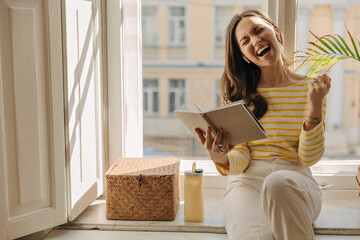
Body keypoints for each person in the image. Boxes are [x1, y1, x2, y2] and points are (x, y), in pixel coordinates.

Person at [195, 9, 331, 240]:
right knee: (257, 235)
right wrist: (221, 158)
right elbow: (241, 160)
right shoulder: (237, 96)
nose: (255, 40)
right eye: (245, 40)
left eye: (258, 30)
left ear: (275, 32)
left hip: (295, 181)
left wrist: (314, 107)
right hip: (247, 183)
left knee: (277, 182)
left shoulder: (312, 90)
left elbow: (308, 158)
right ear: (244, 56)